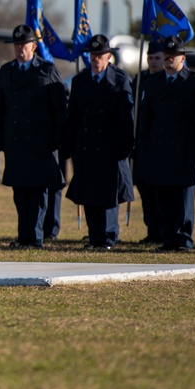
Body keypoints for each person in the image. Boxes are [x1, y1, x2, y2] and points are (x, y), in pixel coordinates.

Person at [136, 35, 195, 252]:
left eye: (173, 56)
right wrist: (144, 145)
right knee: (164, 197)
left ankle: (183, 239)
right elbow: (145, 119)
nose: (169, 59)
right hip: (159, 148)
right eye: (166, 56)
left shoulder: (194, 82)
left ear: (182, 58)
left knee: (183, 199)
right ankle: (168, 238)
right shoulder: (152, 83)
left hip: (185, 148)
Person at [0, 24, 68, 249]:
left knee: (37, 192)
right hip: (16, 142)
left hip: (40, 143)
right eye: (16, 45)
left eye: (23, 44)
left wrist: (57, 140)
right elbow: (0, 109)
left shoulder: (47, 70)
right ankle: (23, 235)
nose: (19, 49)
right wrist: (1, 140)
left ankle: (35, 236)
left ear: (34, 46)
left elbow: (60, 108)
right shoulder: (6, 71)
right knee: (20, 192)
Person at [63, 35, 135, 250]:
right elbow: (73, 116)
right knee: (89, 194)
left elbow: (126, 117)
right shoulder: (80, 81)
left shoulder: (120, 80)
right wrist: (70, 145)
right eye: (93, 55)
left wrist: (126, 146)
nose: (96, 59)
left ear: (108, 57)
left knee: (108, 194)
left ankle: (109, 237)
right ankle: (94, 237)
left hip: (110, 146)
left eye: (100, 55)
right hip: (86, 145)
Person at [133, 40, 166, 243]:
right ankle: (152, 230)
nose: (153, 62)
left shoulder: (166, 79)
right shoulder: (140, 80)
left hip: (161, 145)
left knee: (160, 190)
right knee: (144, 188)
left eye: (157, 58)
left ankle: (163, 230)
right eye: (150, 58)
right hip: (142, 143)